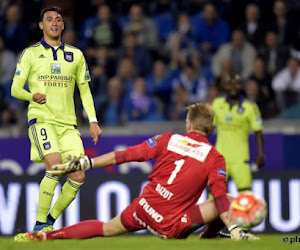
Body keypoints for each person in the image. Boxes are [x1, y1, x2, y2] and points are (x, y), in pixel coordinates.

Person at [14, 103, 258, 241]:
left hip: (143, 208)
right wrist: (235, 227)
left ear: (189, 124)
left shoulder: (167, 138)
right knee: (227, 200)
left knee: (105, 228)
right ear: (211, 129)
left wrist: (88, 163)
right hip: (171, 225)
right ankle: (214, 236)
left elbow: (125, 155)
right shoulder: (215, 157)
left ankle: (46, 236)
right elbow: (218, 193)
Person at [11, 6, 102, 232]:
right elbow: (15, 89)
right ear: (41, 25)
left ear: (62, 26)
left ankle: (49, 222)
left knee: (78, 175)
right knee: (54, 165)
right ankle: (39, 226)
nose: (54, 23)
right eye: (49, 19)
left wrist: (93, 120)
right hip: (42, 120)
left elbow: (85, 91)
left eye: (58, 20)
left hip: (68, 125)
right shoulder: (30, 54)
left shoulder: (76, 55)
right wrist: (32, 96)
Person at [212, 74, 265, 193]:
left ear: (242, 86)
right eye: (230, 83)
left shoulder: (249, 107)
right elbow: (210, 128)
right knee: (215, 195)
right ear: (225, 86)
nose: (233, 87)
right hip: (220, 158)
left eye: (237, 83)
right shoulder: (217, 103)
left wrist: (261, 154)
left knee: (245, 195)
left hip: (241, 159)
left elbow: (258, 131)